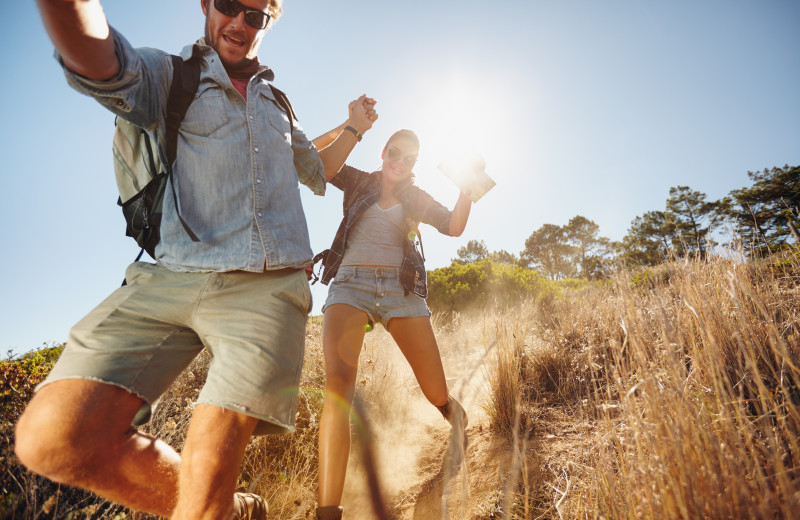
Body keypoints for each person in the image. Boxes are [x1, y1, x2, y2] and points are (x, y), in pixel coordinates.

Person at [15, 1, 376, 519]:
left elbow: (316, 169)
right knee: (52, 438)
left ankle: (213, 506)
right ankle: (233, 511)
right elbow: (100, 59)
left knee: (203, 486)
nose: (240, 24)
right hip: (169, 276)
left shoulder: (277, 102)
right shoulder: (168, 75)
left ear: (269, 23)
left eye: (256, 16)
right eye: (229, 5)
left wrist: (354, 127)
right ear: (206, 4)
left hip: (265, 287)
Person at [313, 129, 480, 520]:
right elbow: (312, 158)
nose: (400, 161)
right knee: (337, 392)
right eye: (395, 152)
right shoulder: (355, 179)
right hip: (349, 287)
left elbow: (454, 226)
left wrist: (467, 188)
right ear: (383, 151)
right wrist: (349, 126)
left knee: (434, 389)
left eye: (409, 157)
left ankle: (451, 413)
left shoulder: (416, 198)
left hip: (400, 290)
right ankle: (327, 511)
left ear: (414, 166)